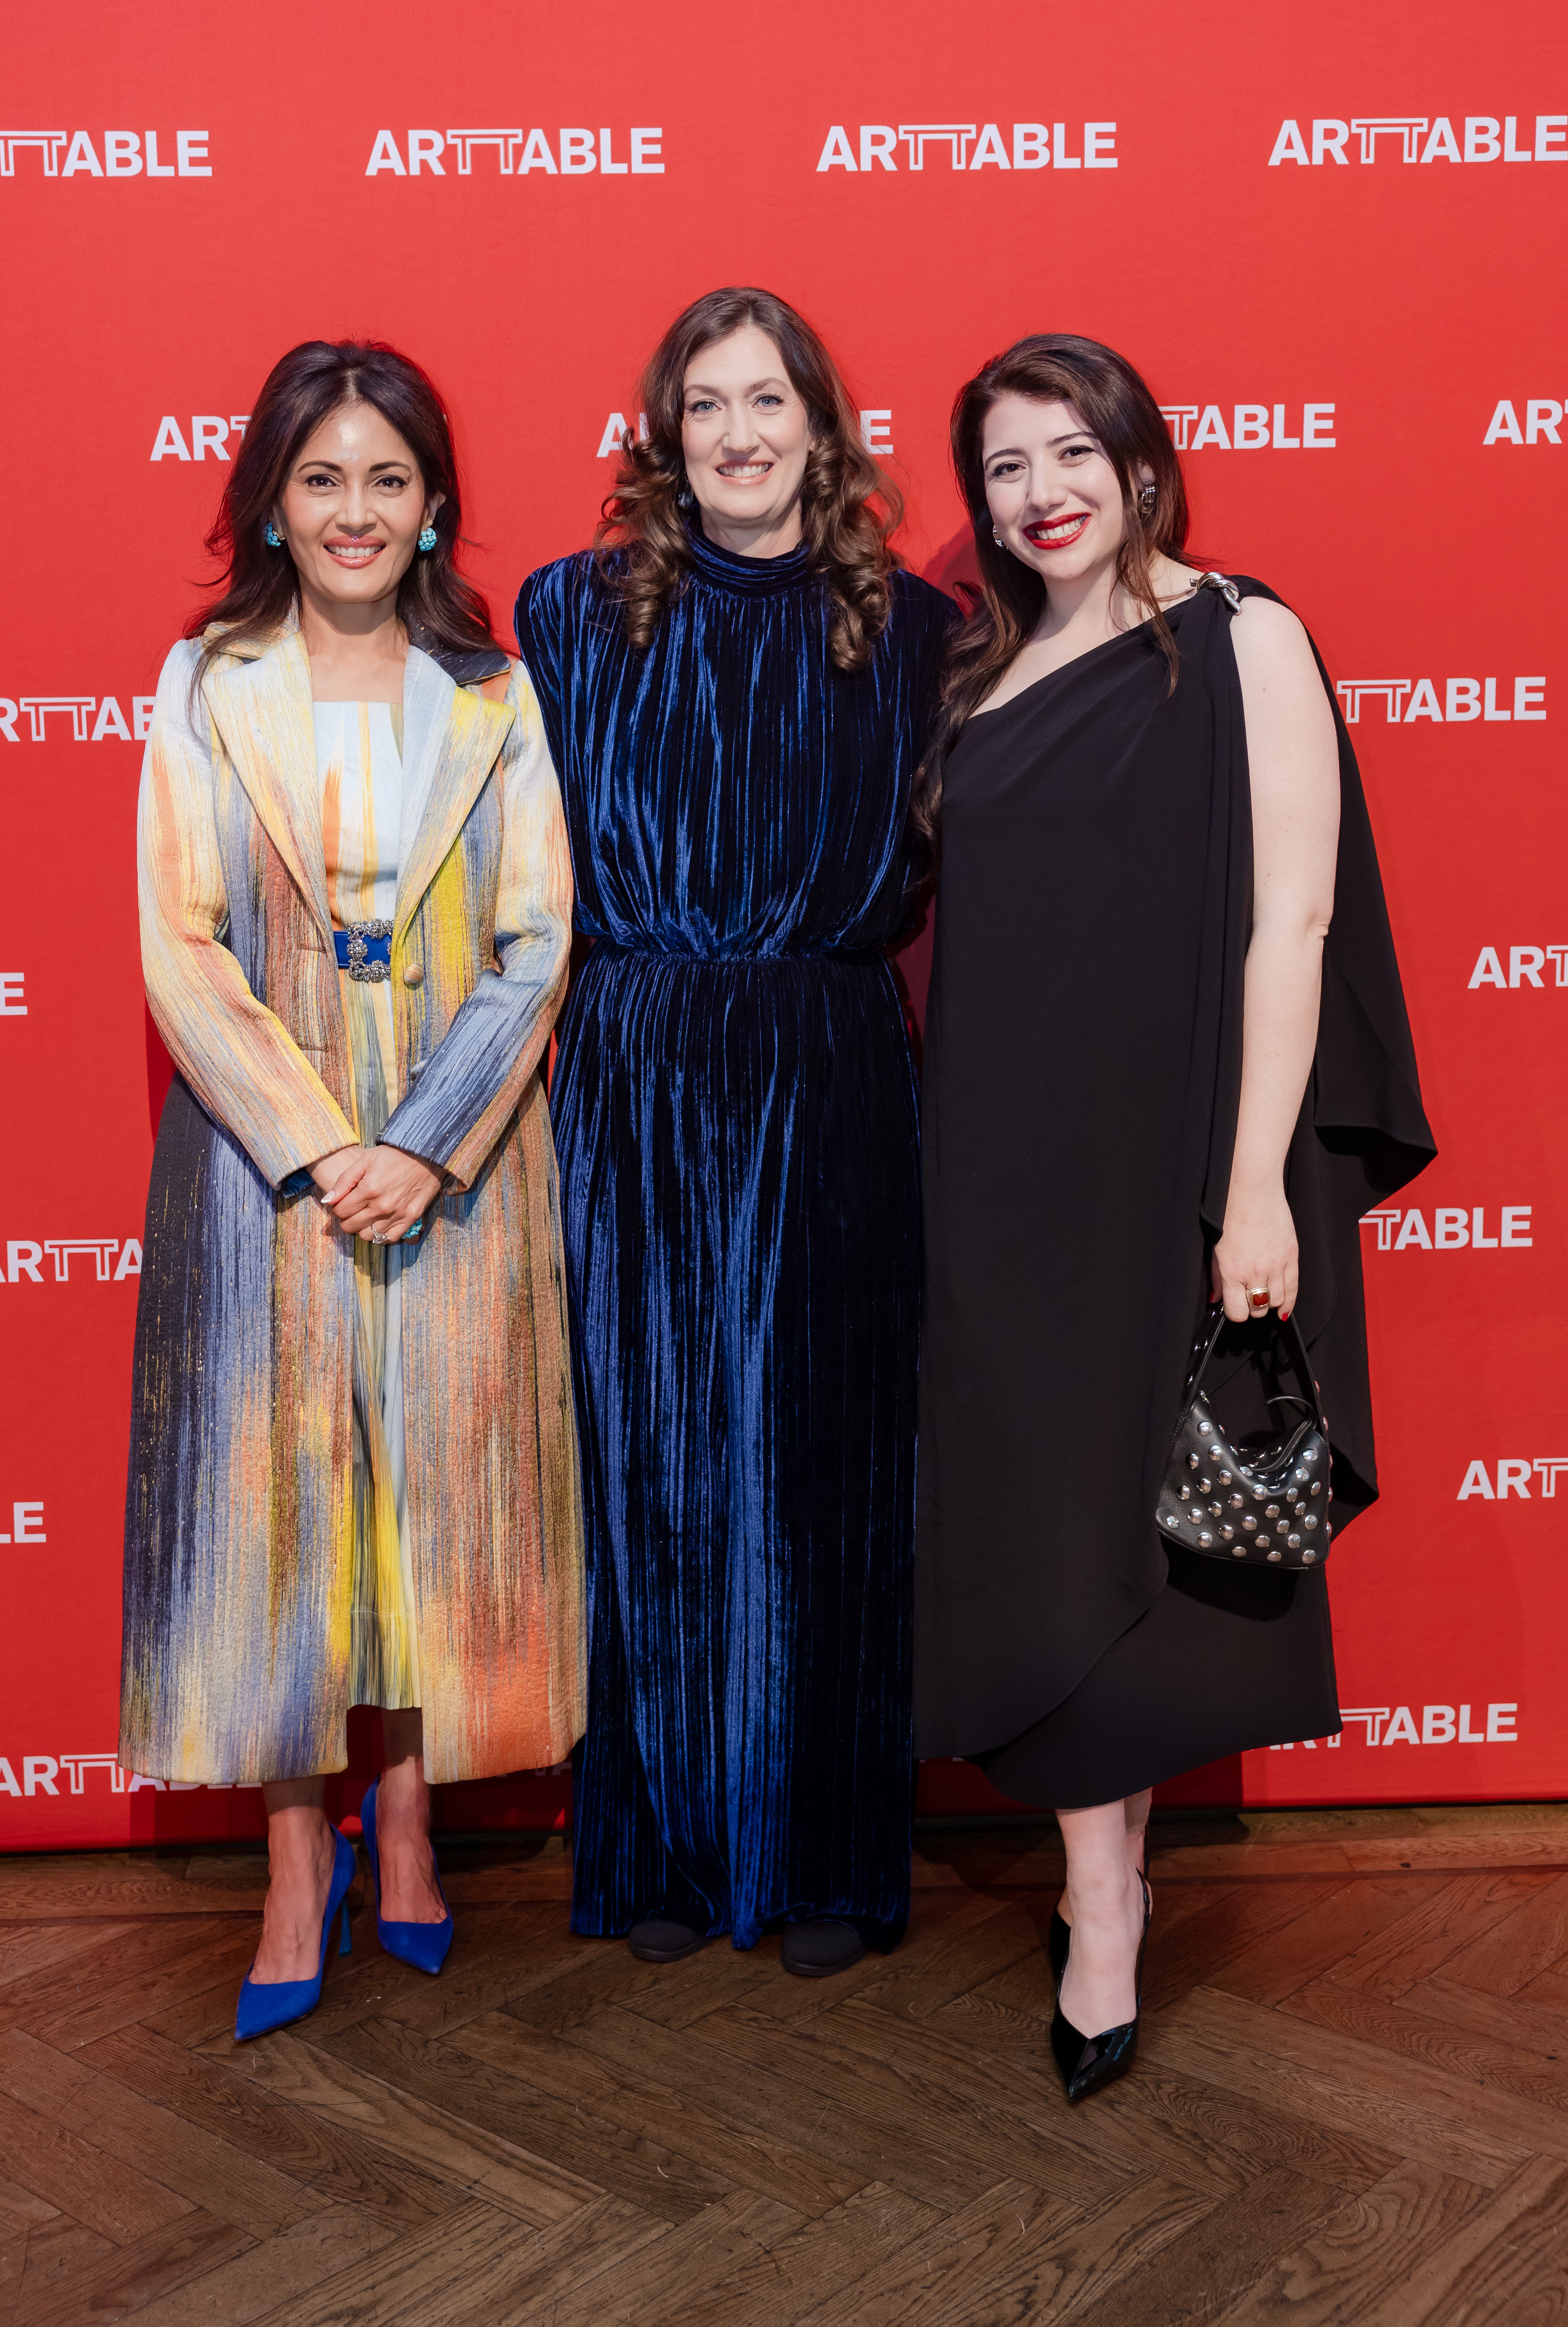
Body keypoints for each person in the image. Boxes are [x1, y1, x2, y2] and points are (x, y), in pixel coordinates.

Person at [913, 334, 1433, 2099]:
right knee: (1038, 1531)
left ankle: (1104, 1908)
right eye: (1002, 465)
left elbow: (1286, 926)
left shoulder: (1240, 636)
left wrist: (1247, 1190)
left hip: (1170, 1168)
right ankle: (1092, 1868)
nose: (1040, 489)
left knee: (1141, 1534)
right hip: (995, 1180)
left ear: (1142, 457)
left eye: (1072, 449)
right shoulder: (983, 667)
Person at [120, 338, 586, 2042]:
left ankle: (409, 1822)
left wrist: (423, 1139)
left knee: (427, 1500)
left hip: (456, 1169)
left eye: (386, 476)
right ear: (273, 497)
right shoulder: (204, 680)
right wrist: (322, 1143)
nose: (354, 508)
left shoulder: (492, 691)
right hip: (264, 1171)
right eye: (321, 476)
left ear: (431, 500)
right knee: (278, 1515)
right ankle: (293, 1855)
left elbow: (536, 938)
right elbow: (177, 942)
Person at [516, 287, 953, 1975]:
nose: (740, 434)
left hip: (833, 1060)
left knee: (826, 1455)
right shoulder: (565, 618)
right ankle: (668, 1847)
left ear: (824, 429)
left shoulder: (916, 634)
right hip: (630, 1065)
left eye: (768, 400)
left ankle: (827, 1848)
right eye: (706, 405)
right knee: (650, 1448)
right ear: (663, 434)